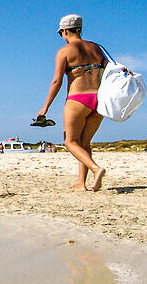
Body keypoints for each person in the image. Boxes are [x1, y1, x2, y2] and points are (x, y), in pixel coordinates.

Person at [36, 14, 107, 192]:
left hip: (78, 99)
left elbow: (57, 81)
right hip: (98, 100)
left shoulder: (65, 51)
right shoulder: (96, 48)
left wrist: (45, 108)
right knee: (84, 144)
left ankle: (96, 168)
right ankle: (81, 184)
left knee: (70, 142)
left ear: (65, 31)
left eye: (61, 33)